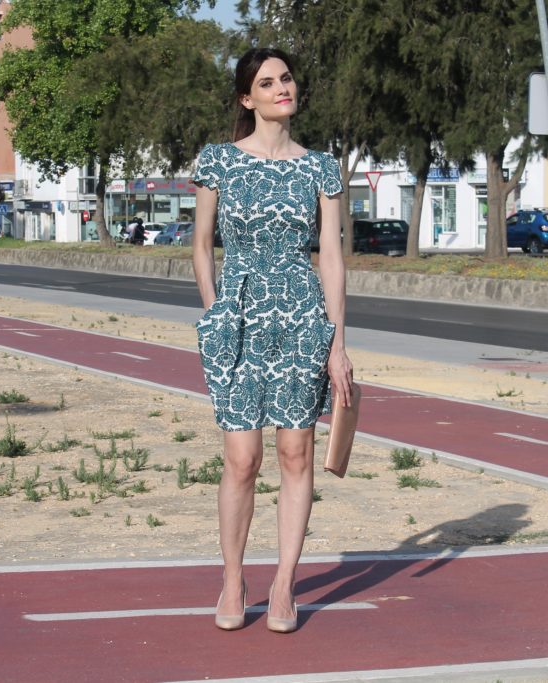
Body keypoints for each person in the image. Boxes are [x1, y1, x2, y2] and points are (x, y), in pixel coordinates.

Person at [191, 47, 353, 634]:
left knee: (295, 452)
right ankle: (234, 579)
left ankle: (283, 585)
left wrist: (337, 343)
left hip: (303, 319)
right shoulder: (219, 162)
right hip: (237, 322)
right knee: (241, 458)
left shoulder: (321, 168)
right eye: (268, 82)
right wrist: (215, 314)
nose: (282, 88)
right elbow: (202, 245)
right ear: (247, 98)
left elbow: (332, 259)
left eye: (286, 78)